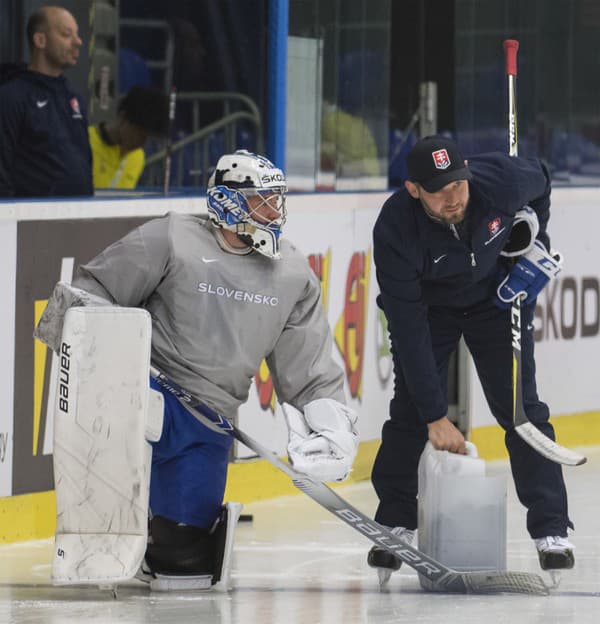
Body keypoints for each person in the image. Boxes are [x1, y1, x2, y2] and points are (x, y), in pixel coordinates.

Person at [35, 150, 358, 591]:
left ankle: (160, 538)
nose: (275, 211)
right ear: (229, 201)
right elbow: (94, 294)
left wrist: (329, 427)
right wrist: (94, 359)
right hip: (143, 394)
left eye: (276, 200)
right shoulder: (171, 237)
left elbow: (308, 365)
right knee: (105, 513)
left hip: (209, 417)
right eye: (263, 200)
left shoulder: (293, 274)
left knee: (181, 560)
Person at [367, 135, 573, 585]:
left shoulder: (498, 181)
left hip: (495, 298)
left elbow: (541, 180)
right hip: (428, 309)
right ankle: (394, 522)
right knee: (409, 413)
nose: (454, 197)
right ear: (414, 189)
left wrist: (534, 240)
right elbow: (407, 327)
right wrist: (435, 415)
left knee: (521, 409)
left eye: (458, 185)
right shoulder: (395, 227)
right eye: (440, 191)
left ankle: (552, 529)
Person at [0, 5, 93, 198]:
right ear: (40, 40)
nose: (78, 42)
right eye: (67, 34)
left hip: (79, 219)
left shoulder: (74, 99)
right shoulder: (11, 97)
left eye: (77, 35)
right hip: (30, 222)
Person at [88, 86, 170, 189]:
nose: (143, 143)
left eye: (148, 138)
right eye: (140, 134)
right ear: (123, 117)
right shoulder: (84, 142)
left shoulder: (137, 157)